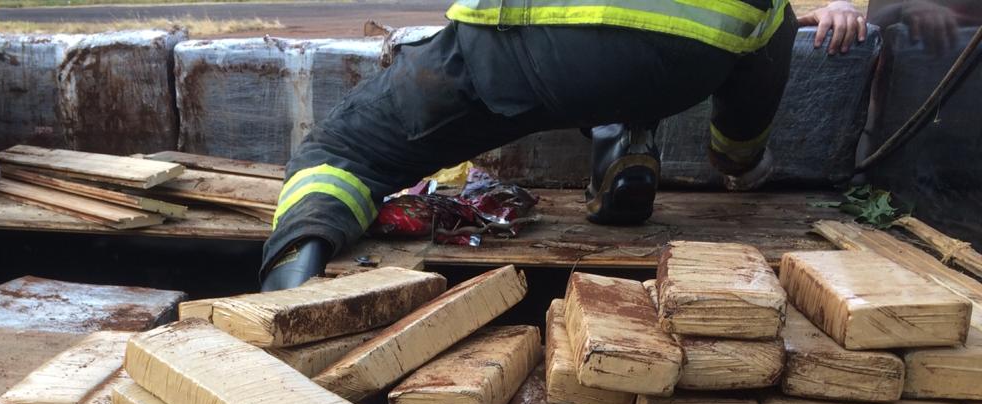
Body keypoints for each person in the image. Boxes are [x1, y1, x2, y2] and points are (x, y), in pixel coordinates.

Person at [261, 0, 867, 290]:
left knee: (342, 152)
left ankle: (285, 309)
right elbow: (762, 61)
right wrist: (741, 163)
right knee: (635, 79)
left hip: (529, 40)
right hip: (683, 58)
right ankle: (625, 142)